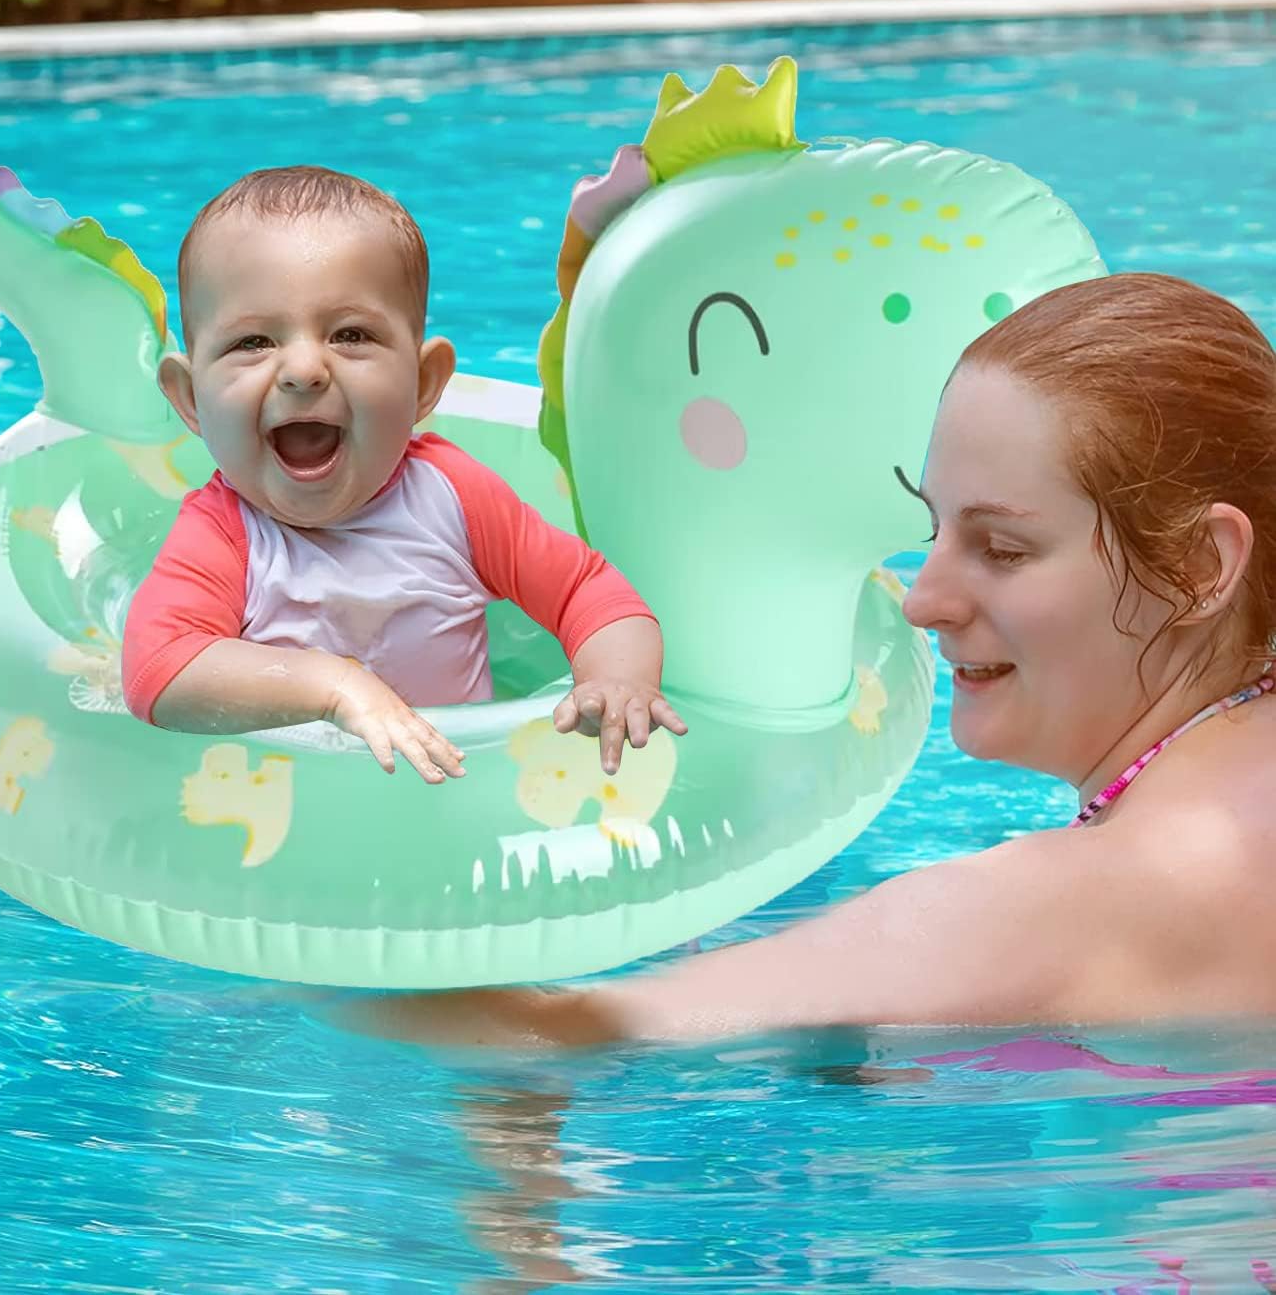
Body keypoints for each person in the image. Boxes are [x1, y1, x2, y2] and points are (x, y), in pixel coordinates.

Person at [346, 272, 1276, 1046]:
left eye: (1002, 549)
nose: (923, 601)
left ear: (1202, 567)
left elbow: (552, 1039)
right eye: (934, 531)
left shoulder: (1059, 905)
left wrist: (305, 941)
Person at [121, 167, 685, 783]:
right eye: (253, 342)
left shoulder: (455, 498)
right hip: (299, 804)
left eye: (350, 334)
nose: (304, 369)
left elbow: (589, 594)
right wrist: (334, 687)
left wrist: (617, 679)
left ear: (423, 383)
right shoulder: (221, 537)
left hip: (459, 792)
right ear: (190, 398)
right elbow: (159, 670)